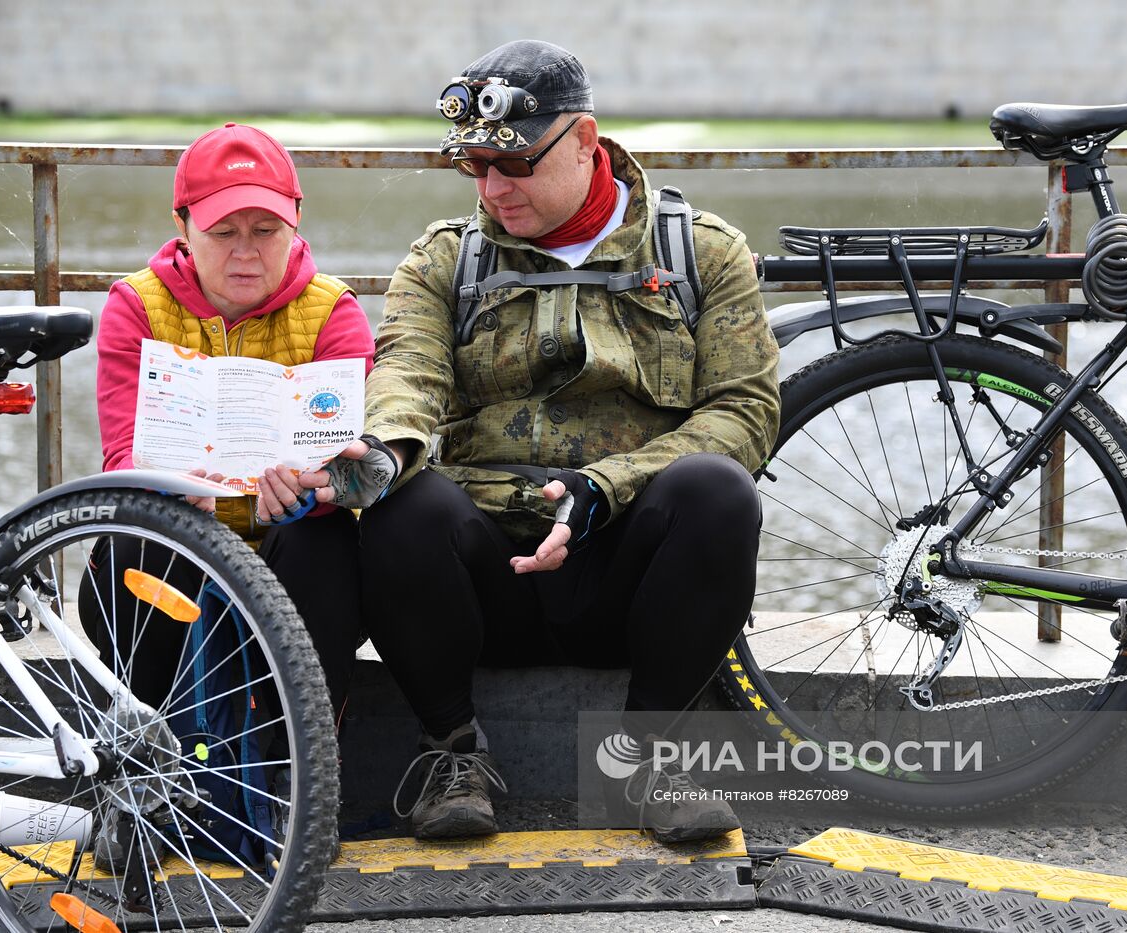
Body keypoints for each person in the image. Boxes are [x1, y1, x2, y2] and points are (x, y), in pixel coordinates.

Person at [296, 40, 780, 843]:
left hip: (626, 567)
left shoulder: (703, 253)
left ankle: (649, 760)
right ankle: (452, 754)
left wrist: (607, 486)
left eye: (514, 166)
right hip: (485, 581)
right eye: (476, 168)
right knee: (402, 503)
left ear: (585, 140)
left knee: (719, 492)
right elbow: (407, 372)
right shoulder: (445, 259)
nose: (493, 188)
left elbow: (744, 411)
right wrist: (382, 449)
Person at [89, 122, 373, 813]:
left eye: (265, 230)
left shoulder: (335, 312)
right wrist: (189, 493)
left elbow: (352, 467)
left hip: (286, 539)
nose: (246, 253)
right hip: (181, 536)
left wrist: (315, 491)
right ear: (183, 227)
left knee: (327, 541)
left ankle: (297, 774)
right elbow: (122, 458)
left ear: (296, 223)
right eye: (223, 232)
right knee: (138, 538)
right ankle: (148, 763)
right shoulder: (135, 305)